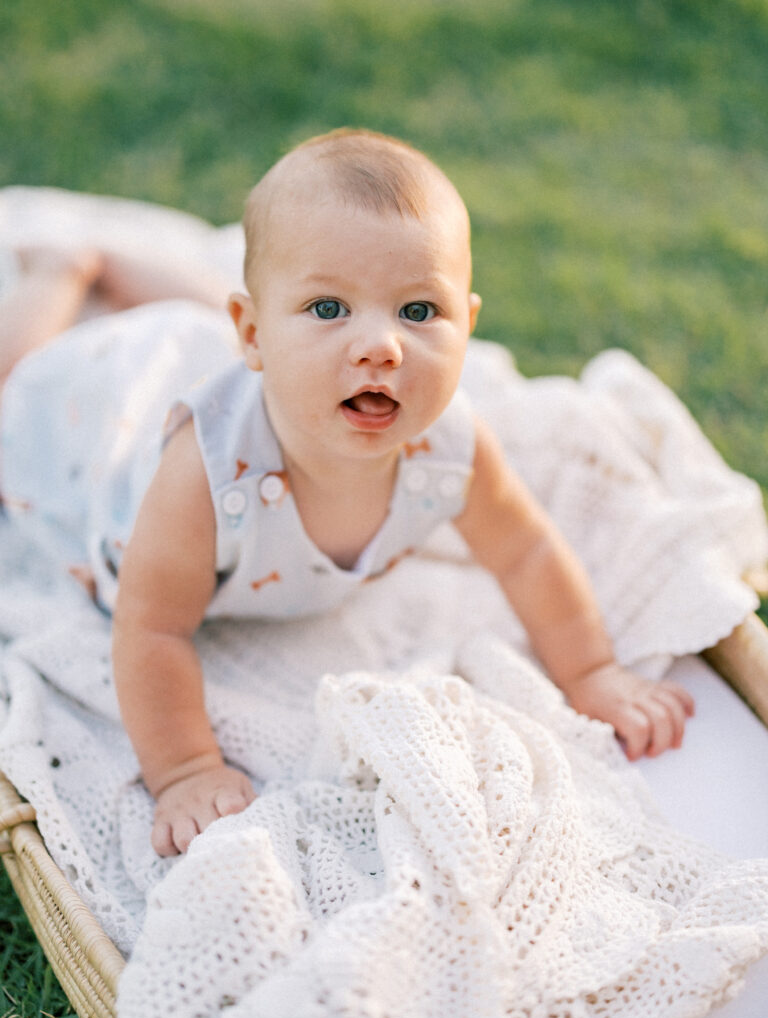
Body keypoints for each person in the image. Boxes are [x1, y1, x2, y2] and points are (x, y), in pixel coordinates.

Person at [0, 129, 695, 858]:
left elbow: (524, 550)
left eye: (419, 311)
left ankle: (156, 278)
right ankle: (68, 268)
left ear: (469, 325)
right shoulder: (203, 475)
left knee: (216, 326)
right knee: (19, 390)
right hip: (101, 418)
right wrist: (185, 770)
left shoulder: (451, 445)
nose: (380, 346)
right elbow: (151, 627)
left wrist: (592, 670)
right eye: (330, 308)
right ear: (257, 337)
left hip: (253, 353)